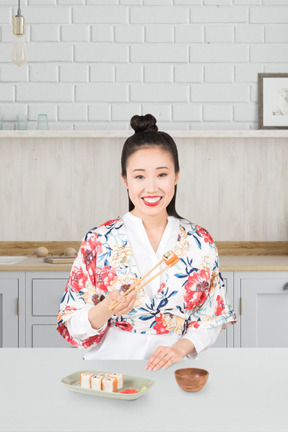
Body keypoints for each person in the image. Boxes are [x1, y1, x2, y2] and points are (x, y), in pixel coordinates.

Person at [57, 114, 236, 371]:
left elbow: (211, 317)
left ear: (176, 176)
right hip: (110, 370)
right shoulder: (98, 239)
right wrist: (106, 308)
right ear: (125, 180)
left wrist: (177, 349)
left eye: (161, 174)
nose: (151, 188)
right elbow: (74, 321)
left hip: (174, 369)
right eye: (139, 177)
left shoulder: (199, 241)